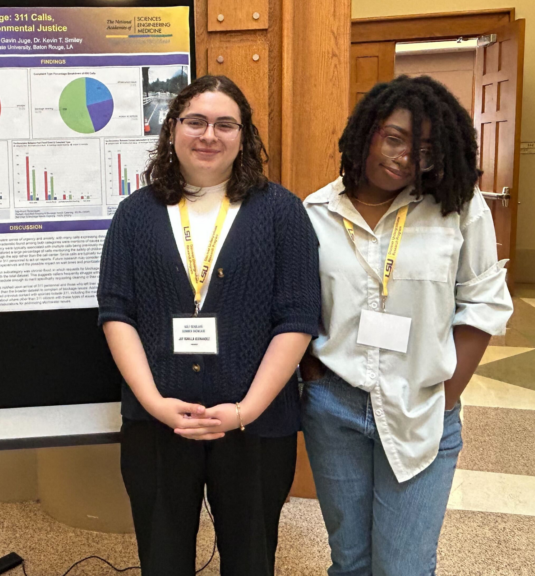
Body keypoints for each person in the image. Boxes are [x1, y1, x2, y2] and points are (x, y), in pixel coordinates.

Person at [97, 75, 320, 576]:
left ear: (244, 136)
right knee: (162, 557)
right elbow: (116, 312)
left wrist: (245, 410)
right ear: (172, 129)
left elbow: (299, 318)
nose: (208, 135)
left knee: (250, 557)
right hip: (158, 423)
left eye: (225, 124)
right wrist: (155, 404)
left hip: (256, 426)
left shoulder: (282, 213)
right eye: (195, 121)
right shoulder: (135, 214)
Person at [301, 75, 514, 575]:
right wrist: (314, 379)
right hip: (335, 408)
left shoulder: (458, 209)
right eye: (394, 139)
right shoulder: (316, 213)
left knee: (405, 567)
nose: (404, 159)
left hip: (423, 407)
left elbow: (483, 303)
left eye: (423, 150)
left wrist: (446, 399)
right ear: (367, 131)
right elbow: (299, 310)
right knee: (349, 562)